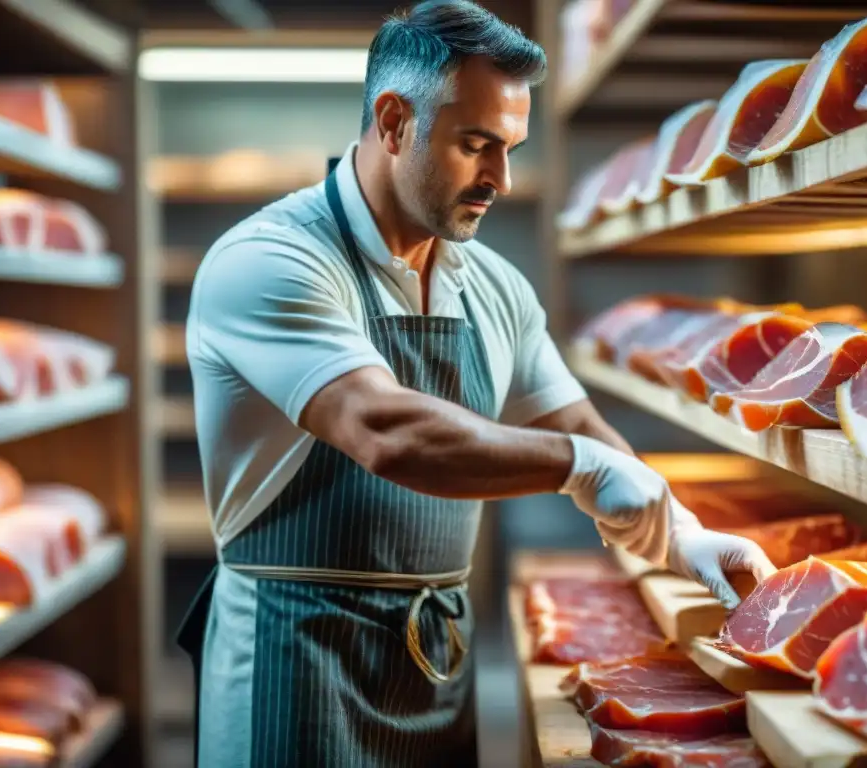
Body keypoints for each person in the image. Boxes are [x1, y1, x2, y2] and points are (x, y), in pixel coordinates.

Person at [176, 1, 777, 766]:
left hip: (434, 663)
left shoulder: (492, 285)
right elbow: (385, 430)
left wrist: (679, 530)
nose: (500, 177)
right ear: (393, 122)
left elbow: (577, 422)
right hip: (293, 664)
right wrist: (579, 470)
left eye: (511, 148)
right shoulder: (271, 261)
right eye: (475, 145)